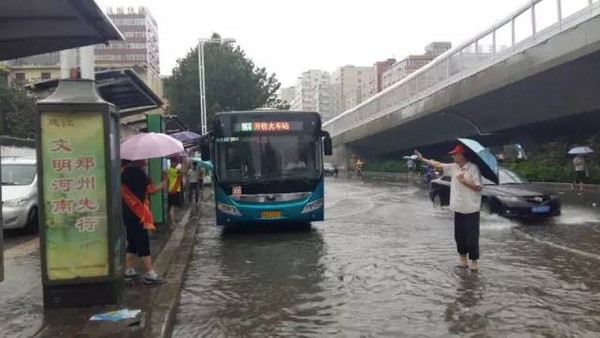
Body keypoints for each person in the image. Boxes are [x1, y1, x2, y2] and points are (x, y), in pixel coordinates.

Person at [415, 145, 482, 272]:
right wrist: (423, 159)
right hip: (458, 209)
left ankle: (474, 263)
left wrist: (464, 181)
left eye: (455, 154)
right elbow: (438, 164)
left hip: (471, 210)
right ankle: (463, 262)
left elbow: (478, 187)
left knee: (472, 238)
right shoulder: (453, 167)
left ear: (462, 155)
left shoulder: (473, 169)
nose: (453, 156)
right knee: (460, 237)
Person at [121, 160, 166, 284]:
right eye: (144, 161)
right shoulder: (139, 173)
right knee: (142, 241)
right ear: (139, 160)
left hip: (127, 214)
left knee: (133, 242)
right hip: (138, 215)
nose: (146, 162)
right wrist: (162, 183)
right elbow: (151, 190)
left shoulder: (122, 173)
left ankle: (129, 270)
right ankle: (150, 273)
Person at [165, 157, 183, 226]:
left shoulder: (173, 170)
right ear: (171, 162)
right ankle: (172, 222)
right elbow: (179, 170)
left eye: (176, 162)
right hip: (173, 190)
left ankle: (173, 220)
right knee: (172, 206)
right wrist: (181, 163)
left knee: (174, 206)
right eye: (174, 162)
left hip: (176, 190)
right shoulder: (171, 170)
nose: (175, 164)